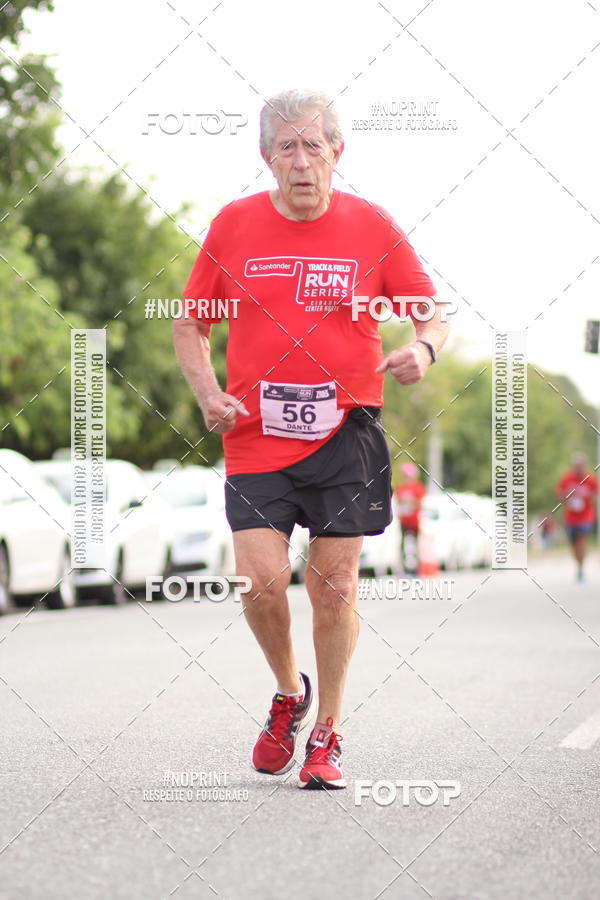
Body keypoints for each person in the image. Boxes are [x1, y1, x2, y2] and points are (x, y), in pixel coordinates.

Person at [173, 88, 449, 790]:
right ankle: (287, 694)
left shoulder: (371, 227)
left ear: (337, 153)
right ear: (267, 157)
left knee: (333, 587)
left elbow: (431, 312)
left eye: (313, 146)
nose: (301, 161)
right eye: (286, 148)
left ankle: (327, 731)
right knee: (261, 583)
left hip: (346, 429)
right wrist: (208, 393)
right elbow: (190, 322)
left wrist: (424, 349)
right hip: (258, 434)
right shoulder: (234, 225)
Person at [556, 453, 598, 581]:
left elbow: (596, 494)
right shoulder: (567, 478)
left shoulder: (590, 478)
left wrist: (588, 497)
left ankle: (581, 567)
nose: (578, 468)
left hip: (586, 516)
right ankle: (578, 564)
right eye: (576, 465)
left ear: (584, 465)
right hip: (570, 517)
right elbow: (559, 493)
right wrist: (566, 496)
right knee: (574, 543)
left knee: (582, 540)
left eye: (580, 465)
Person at [395, 462, 426, 574]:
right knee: (403, 545)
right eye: (405, 475)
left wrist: (409, 500)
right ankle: (403, 569)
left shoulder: (418, 487)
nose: (406, 477)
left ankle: (416, 569)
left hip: (415, 521)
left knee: (416, 546)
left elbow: (421, 504)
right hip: (404, 520)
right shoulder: (400, 487)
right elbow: (398, 501)